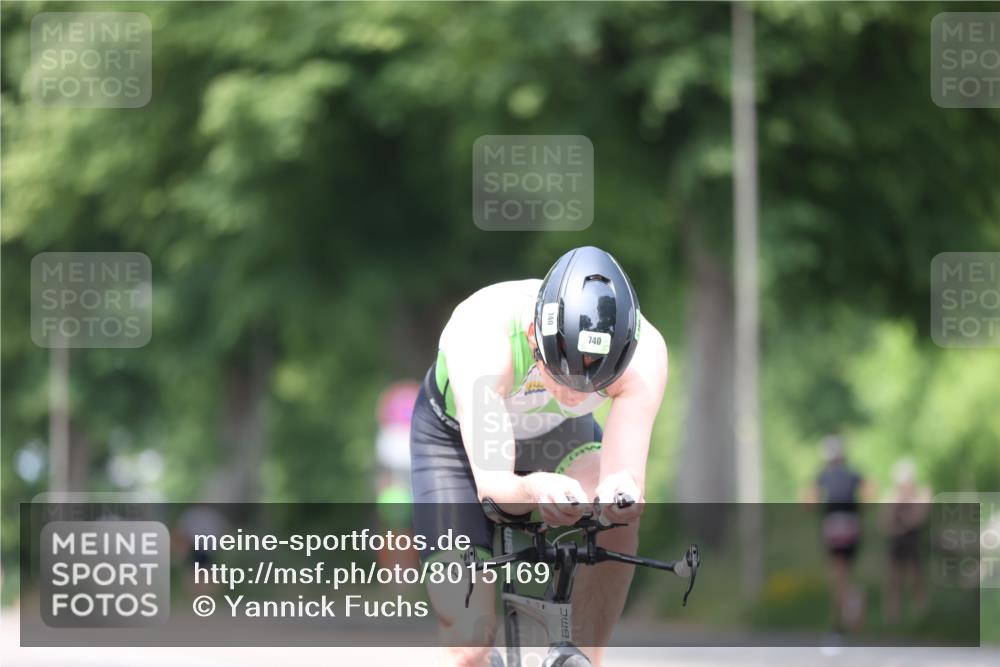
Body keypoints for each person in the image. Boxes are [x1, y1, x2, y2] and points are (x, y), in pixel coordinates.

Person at [409, 246, 668, 667]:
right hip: (454, 441)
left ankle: (582, 658)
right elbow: (495, 487)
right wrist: (536, 488)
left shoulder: (645, 355)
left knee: (618, 521)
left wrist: (617, 495)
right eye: (562, 374)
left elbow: (623, 480)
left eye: (597, 380)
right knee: (468, 647)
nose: (577, 394)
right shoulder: (483, 335)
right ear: (534, 335)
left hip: (561, 434)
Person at [807, 435, 871, 635]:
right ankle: (849, 611)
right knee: (844, 572)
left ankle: (841, 617)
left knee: (837, 573)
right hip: (851, 524)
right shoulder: (852, 474)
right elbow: (869, 490)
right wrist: (859, 511)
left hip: (834, 525)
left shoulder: (824, 475)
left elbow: (808, 499)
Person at [880, 458, 931, 624]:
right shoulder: (891, 496)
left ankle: (920, 615)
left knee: (917, 578)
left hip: (915, 542)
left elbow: (918, 519)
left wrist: (904, 515)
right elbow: (884, 524)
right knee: (893, 579)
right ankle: (891, 617)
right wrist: (897, 504)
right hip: (896, 543)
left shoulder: (922, 494)